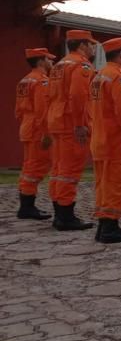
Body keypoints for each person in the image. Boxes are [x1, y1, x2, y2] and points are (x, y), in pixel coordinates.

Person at [90, 37, 121, 243]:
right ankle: (110, 228)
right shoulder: (120, 77)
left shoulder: (99, 76)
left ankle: (103, 226)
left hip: (101, 139)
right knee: (117, 184)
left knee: (103, 184)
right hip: (117, 141)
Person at [47, 30, 98, 231]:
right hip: (71, 123)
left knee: (59, 169)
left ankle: (59, 211)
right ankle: (66, 216)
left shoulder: (59, 65)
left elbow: (50, 96)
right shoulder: (81, 65)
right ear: (83, 45)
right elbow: (77, 96)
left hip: (57, 120)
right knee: (69, 170)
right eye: (91, 44)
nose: (93, 48)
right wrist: (79, 124)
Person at [15, 48, 56, 220]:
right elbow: (42, 110)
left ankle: (26, 205)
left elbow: (18, 110)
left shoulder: (24, 81)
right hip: (37, 128)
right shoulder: (41, 81)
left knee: (29, 166)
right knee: (35, 167)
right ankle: (27, 207)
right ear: (41, 61)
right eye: (49, 59)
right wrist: (46, 133)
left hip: (27, 125)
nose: (52, 62)